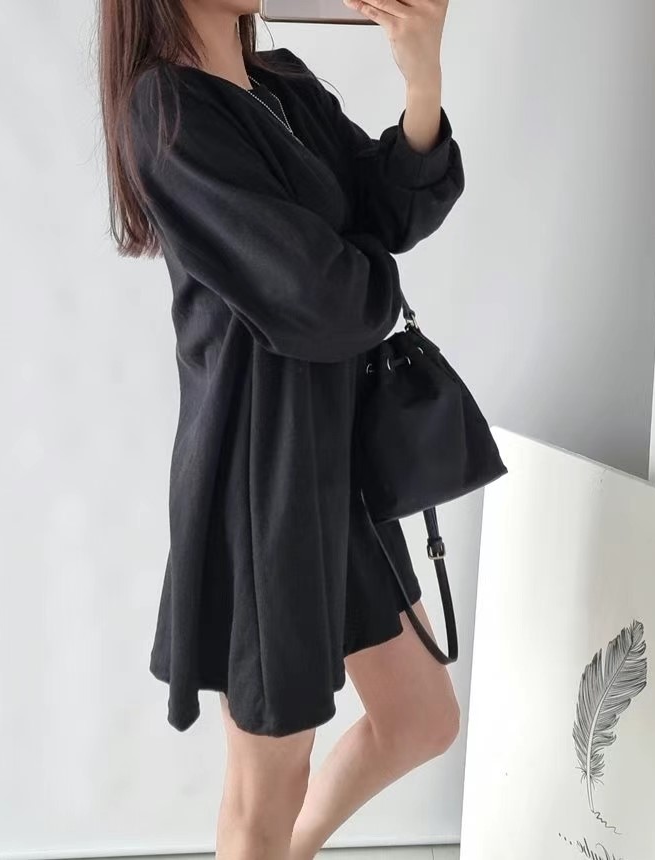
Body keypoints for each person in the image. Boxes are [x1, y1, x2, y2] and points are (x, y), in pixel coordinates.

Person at [97, 0, 464, 854]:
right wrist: (368, 271)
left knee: (421, 716)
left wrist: (422, 77)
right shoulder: (166, 109)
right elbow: (318, 299)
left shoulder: (281, 84)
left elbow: (391, 211)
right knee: (267, 784)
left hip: (336, 465)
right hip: (260, 478)